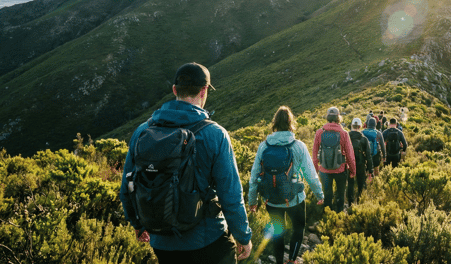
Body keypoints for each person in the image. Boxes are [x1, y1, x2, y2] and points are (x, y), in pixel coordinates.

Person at [120, 62, 253, 263]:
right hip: (208, 241)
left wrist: (137, 224)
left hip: (162, 243)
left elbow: (127, 186)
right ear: (204, 90)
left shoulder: (142, 132)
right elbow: (231, 194)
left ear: (174, 90)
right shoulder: (215, 134)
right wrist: (243, 236)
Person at [248, 106, 324, 264]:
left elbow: (254, 176)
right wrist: (319, 194)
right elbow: (310, 175)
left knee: (278, 232)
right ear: (291, 123)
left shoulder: (263, 146)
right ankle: (292, 260)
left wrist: (252, 201)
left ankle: (279, 262)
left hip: (271, 200)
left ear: (274, 123)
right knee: (298, 228)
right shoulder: (299, 146)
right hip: (294, 199)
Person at [312, 106, 356, 213]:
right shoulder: (344, 133)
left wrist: (316, 170)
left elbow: (314, 153)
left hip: (324, 170)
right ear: (338, 118)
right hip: (340, 170)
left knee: (327, 194)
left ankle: (327, 215)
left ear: (327, 117)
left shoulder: (319, 132)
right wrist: (352, 170)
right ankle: (339, 213)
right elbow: (350, 154)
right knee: (340, 193)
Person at [347, 118, 374, 206]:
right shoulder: (364, 139)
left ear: (352, 126)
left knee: (350, 183)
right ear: (360, 126)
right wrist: (370, 170)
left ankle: (350, 203)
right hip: (361, 164)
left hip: (348, 164)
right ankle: (360, 201)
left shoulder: (347, 137)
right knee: (361, 183)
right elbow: (368, 156)